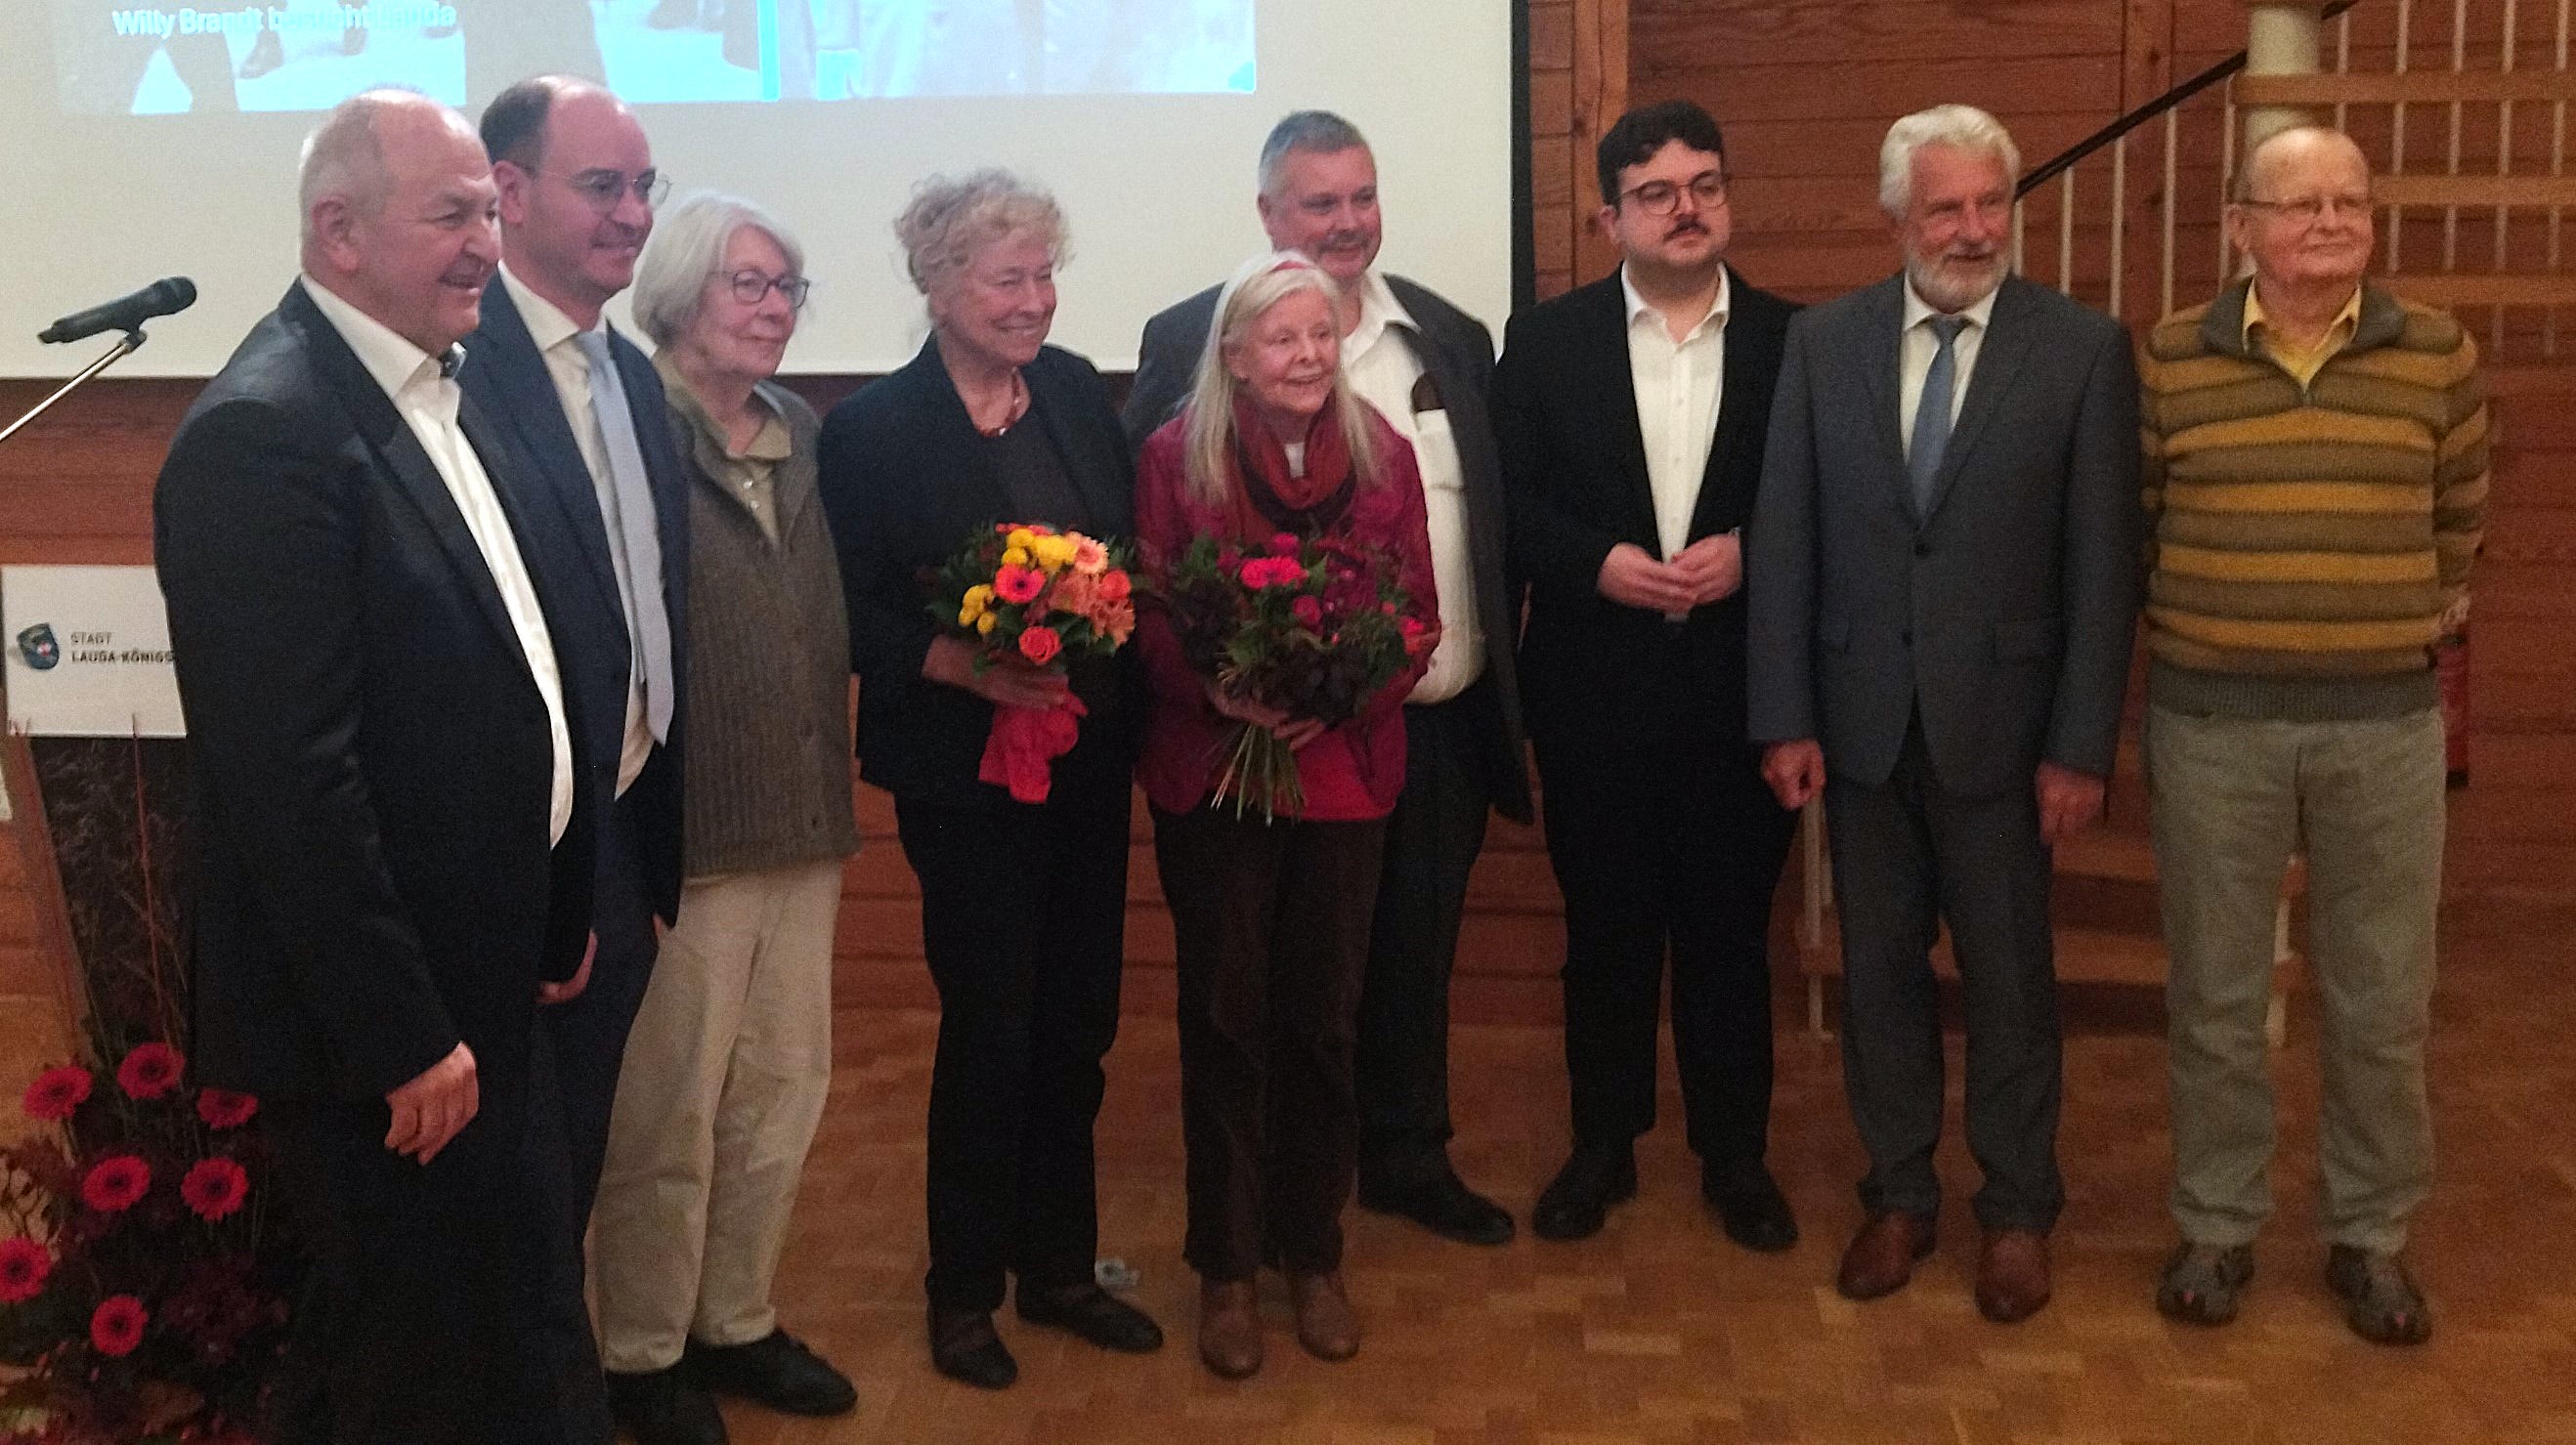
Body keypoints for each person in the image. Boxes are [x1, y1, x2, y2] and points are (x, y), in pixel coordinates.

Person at [153, 89, 609, 1443]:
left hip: (486, 965)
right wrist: (403, 1033)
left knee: (501, 1318)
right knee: (426, 1355)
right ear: (338, 232)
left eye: (491, 205)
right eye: (454, 211)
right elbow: (292, 781)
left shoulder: (436, 383)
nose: (489, 237)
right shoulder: (265, 433)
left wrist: (559, 900)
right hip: (391, 1024)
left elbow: (527, 668)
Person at [1745, 104, 2141, 1324]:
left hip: (2009, 738)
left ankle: (2016, 1211)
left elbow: (2101, 567)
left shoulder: (2078, 350)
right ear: (1895, 217)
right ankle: (1898, 1193)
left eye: (1987, 204)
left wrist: (2080, 744)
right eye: (1943, 208)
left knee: (2012, 984)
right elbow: (1787, 538)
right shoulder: (1824, 344)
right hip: (1859, 729)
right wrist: (1782, 716)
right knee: (1876, 979)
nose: (1969, 230)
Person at [1126, 108, 1530, 1249]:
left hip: (1417, 717)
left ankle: (1402, 1159)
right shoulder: (1181, 342)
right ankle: (1257, 1219)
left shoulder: (1446, 338)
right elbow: (1154, 554)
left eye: (1360, 197)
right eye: (1319, 204)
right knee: (1253, 990)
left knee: (1403, 961)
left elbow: (1476, 525)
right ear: (1268, 219)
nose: (1346, 222)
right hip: (1232, 749)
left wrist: (1360, 676)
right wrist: (1228, 687)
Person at [2137, 124, 2486, 1346]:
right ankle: (2216, 1226)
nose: (2329, 221)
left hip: (2382, 727)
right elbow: (2137, 523)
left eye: (2350, 201)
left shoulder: (2436, 353)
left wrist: (2375, 619)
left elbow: (2458, 521)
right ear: (2239, 227)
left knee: (2380, 1001)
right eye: (2298, 204)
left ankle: (2369, 1237)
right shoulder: (2171, 358)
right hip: (2208, 727)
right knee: (2216, 1000)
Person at [816, 169, 1162, 1390]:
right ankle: (963, 1293)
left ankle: (1060, 1269)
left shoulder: (1069, 392)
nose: (1034, 302)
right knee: (993, 1024)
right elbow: (843, 610)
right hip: (961, 778)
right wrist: (955, 660)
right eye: (1005, 278)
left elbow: (1116, 557)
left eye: (1043, 276)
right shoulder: (865, 432)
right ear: (936, 284)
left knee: (1079, 1022)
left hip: (1082, 761)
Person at [1492, 100, 1803, 1251]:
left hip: (1740, 696)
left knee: (1729, 936)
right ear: (1609, 213)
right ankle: (1602, 1146)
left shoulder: (1792, 340)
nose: (1686, 209)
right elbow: (1509, 511)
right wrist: (1595, 565)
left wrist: (1755, 556)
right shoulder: (1544, 342)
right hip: (1593, 694)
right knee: (1607, 933)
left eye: (1705, 185)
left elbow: (1832, 511)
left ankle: (1735, 1157)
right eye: (1659, 192)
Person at [1133, 253, 1438, 1380]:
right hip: (1212, 773)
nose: (1307, 355)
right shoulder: (1177, 456)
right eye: (1282, 339)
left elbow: (1415, 615)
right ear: (1233, 354)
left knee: (1321, 1021)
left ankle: (1312, 1253)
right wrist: (1212, 688)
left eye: (1321, 336)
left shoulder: (1384, 452)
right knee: (1224, 1016)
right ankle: (1224, 1265)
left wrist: (1338, 689)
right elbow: (1153, 603)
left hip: (1342, 773)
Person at [586, 193, 861, 1444]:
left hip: (804, 822)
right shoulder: (622, 426)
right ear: (678, 295)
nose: (769, 309)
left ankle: (736, 1318)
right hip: (684, 837)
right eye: (745, 284)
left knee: (783, 1091)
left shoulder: (799, 431)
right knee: (670, 1109)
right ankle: (639, 1352)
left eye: (785, 289)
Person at [462, 75, 688, 1253]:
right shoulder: (455, 375)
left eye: (644, 186)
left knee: (583, 1147)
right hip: (514, 843)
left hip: (620, 820)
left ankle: (568, 1379)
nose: (634, 214)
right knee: (514, 1177)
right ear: (507, 192)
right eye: (602, 186)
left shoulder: (632, 375)